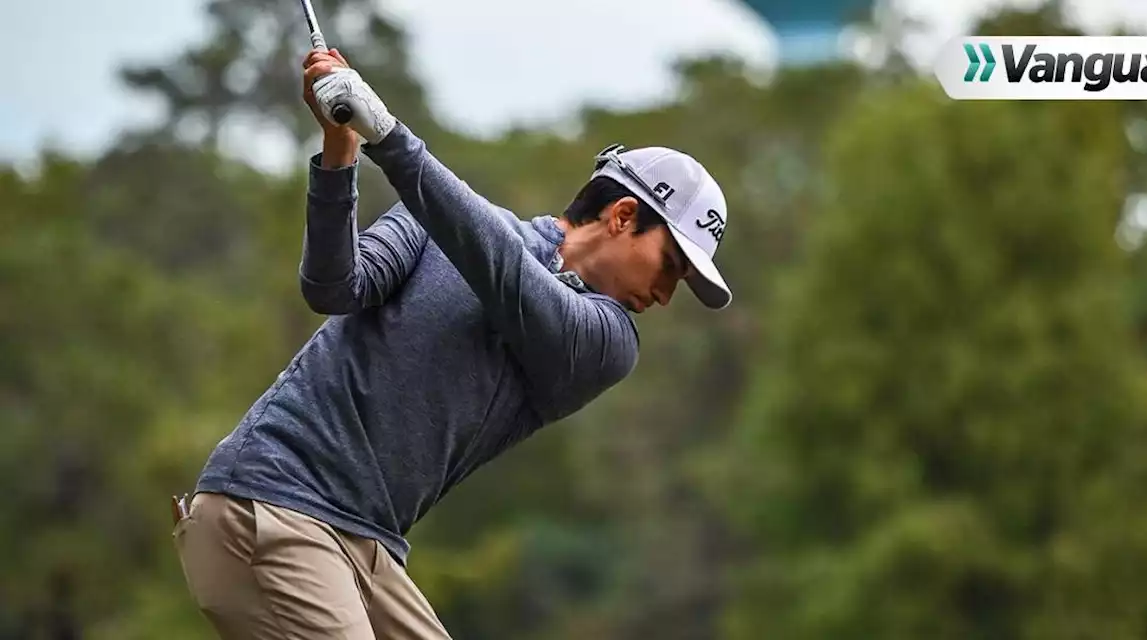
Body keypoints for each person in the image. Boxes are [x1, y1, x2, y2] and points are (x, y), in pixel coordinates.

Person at [171, 47, 733, 639]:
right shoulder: (430, 225)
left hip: (363, 544)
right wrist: (342, 152)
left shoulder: (607, 342)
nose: (667, 294)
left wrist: (389, 133)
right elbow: (333, 287)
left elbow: (505, 272)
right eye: (670, 265)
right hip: (270, 505)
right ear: (622, 216)